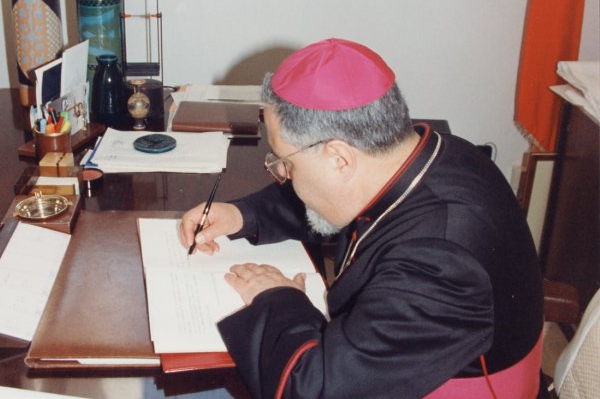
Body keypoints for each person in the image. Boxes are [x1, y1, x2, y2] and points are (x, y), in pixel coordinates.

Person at [180, 38, 545, 399]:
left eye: (286, 163)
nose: (284, 174)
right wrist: (244, 215)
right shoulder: (430, 154)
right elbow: (340, 199)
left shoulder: (439, 264)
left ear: (340, 159)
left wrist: (277, 296)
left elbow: (310, 390)